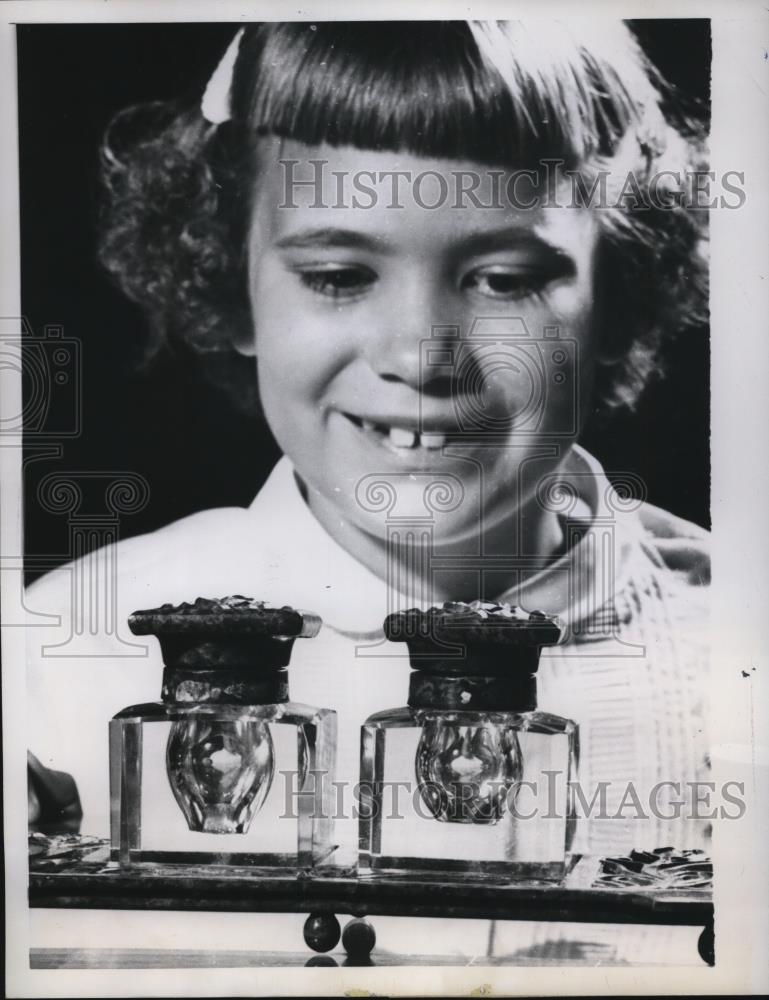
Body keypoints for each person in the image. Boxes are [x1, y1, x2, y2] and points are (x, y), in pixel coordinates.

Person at [26, 21, 710, 962]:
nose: (419, 356)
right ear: (230, 281)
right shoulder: (51, 660)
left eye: (504, 279)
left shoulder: (734, 642)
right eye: (339, 275)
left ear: (618, 290)